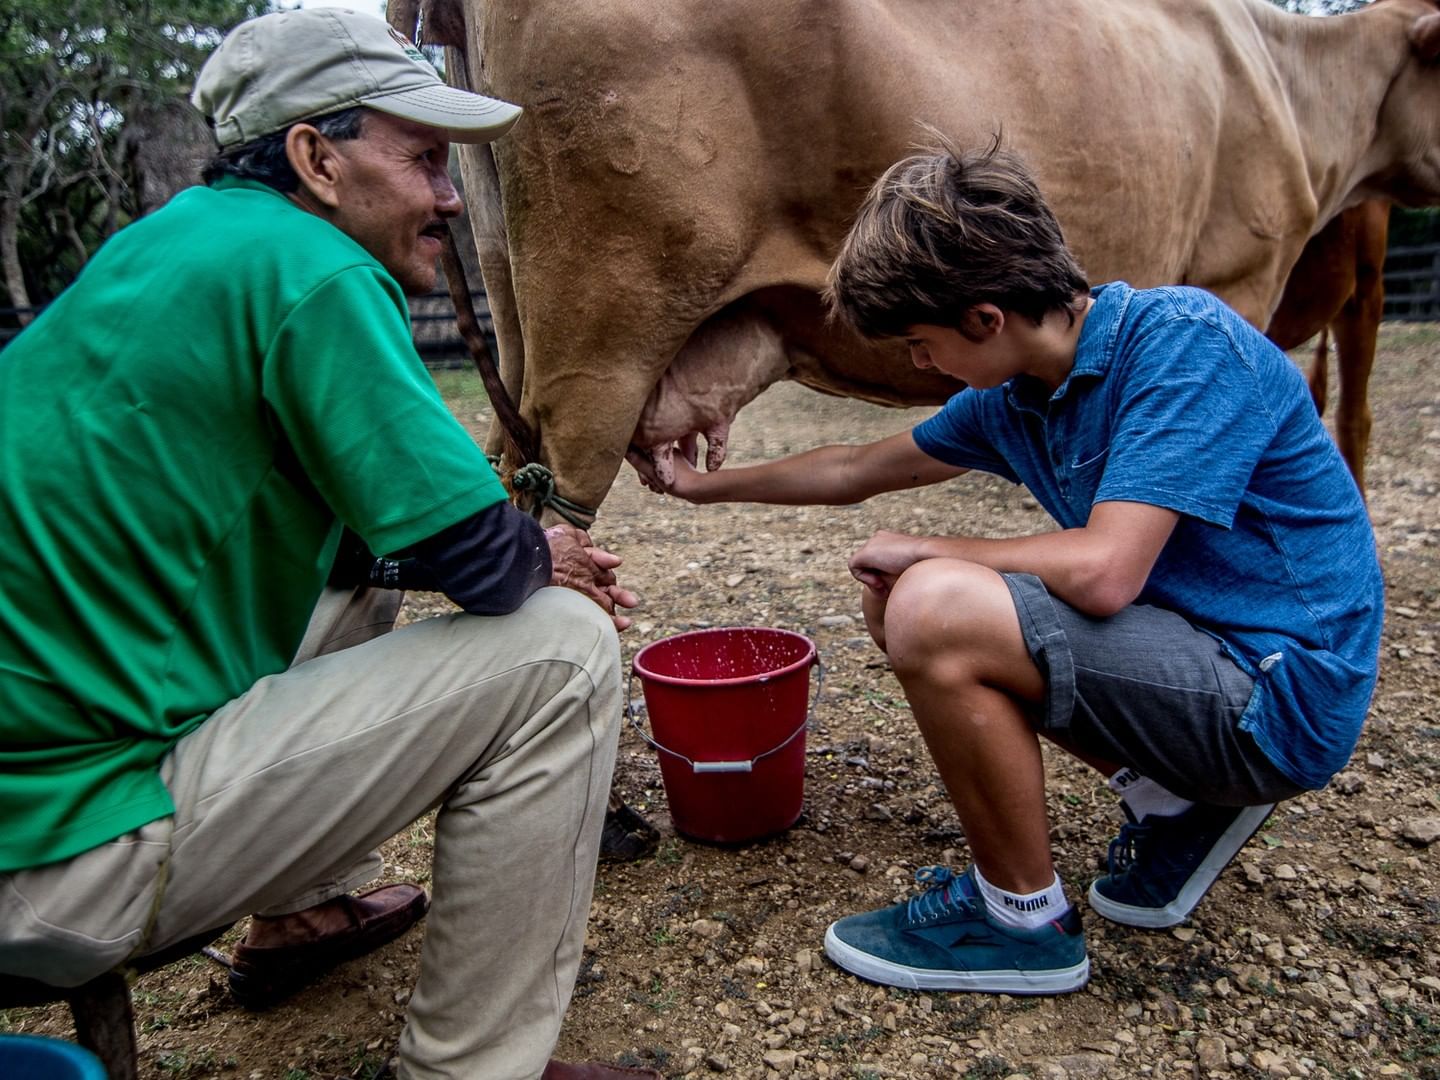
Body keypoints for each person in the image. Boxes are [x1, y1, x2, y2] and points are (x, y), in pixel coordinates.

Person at [0, 9, 656, 1079]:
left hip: (27, 788)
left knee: (360, 579)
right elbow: (488, 565)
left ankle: (302, 916)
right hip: (61, 848)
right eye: (425, 160)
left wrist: (503, 546)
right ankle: (471, 1068)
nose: (449, 195)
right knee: (558, 649)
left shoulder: (168, 241)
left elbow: (392, 544)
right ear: (316, 157)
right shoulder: (318, 268)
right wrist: (549, 555)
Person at [628, 139, 1384, 995]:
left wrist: (935, 549)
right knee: (906, 601)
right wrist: (702, 486)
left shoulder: (1183, 347)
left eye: (921, 343)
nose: (919, 365)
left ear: (985, 320)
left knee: (935, 605)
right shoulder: (1018, 395)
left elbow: (1105, 573)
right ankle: (1178, 805)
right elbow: (854, 469)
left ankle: (1020, 922)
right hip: (1201, 658)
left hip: (1277, 695)